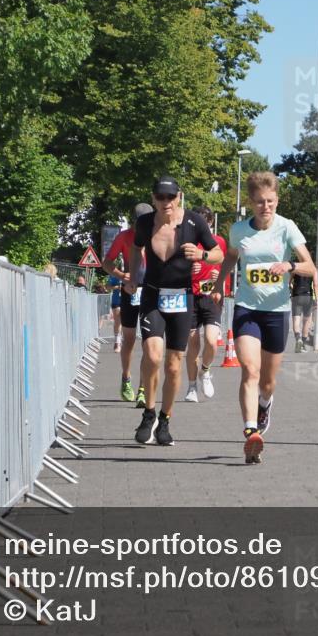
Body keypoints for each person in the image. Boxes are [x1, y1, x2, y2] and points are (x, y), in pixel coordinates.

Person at [212, 172, 315, 464]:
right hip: (247, 308)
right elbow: (231, 256)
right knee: (250, 370)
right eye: (259, 202)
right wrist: (220, 286)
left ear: (277, 201)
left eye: (270, 201)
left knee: (267, 382)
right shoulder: (239, 230)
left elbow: (311, 267)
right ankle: (250, 431)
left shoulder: (287, 228)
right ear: (251, 202)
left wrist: (289, 264)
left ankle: (264, 404)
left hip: (277, 312)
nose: (265, 207)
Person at [126, 176, 222, 446]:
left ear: (179, 196)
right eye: (160, 197)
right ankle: (149, 413)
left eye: (170, 197)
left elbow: (218, 254)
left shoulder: (194, 222)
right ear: (154, 198)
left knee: (173, 365)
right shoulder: (145, 223)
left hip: (182, 299)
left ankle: (165, 421)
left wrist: (201, 256)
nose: (165, 202)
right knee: (152, 356)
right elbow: (136, 249)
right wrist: (134, 277)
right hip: (153, 296)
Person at [103, 202, 153, 405]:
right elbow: (107, 262)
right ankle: (126, 377)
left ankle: (142, 388)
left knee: (150, 343)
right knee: (130, 338)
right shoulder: (124, 236)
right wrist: (122, 276)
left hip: (152, 292)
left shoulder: (158, 233)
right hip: (130, 290)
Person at [184, 206, 227, 402]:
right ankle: (192, 387)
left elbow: (227, 266)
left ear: (209, 223)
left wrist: (221, 280)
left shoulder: (219, 242)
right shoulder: (186, 243)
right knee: (193, 344)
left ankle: (206, 371)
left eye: (205, 223)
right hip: (190, 296)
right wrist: (187, 272)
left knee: (211, 340)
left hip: (211, 296)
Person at [290, 271, 314, 352]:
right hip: (308, 297)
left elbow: (289, 283)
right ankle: (303, 345)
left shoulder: (296, 270)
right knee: (307, 321)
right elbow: (316, 285)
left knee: (296, 320)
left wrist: (292, 288)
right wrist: (317, 299)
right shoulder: (312, 270)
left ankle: (298, 339)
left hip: (297, 296)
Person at [107, 273, 122, 352]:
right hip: (116, 301)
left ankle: (123, 341)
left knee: (126, 322)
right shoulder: (113, 275)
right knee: (118, 322)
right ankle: (117, 342)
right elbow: (108, 287)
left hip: (128, 301)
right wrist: (117, 287)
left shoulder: (131, 273)